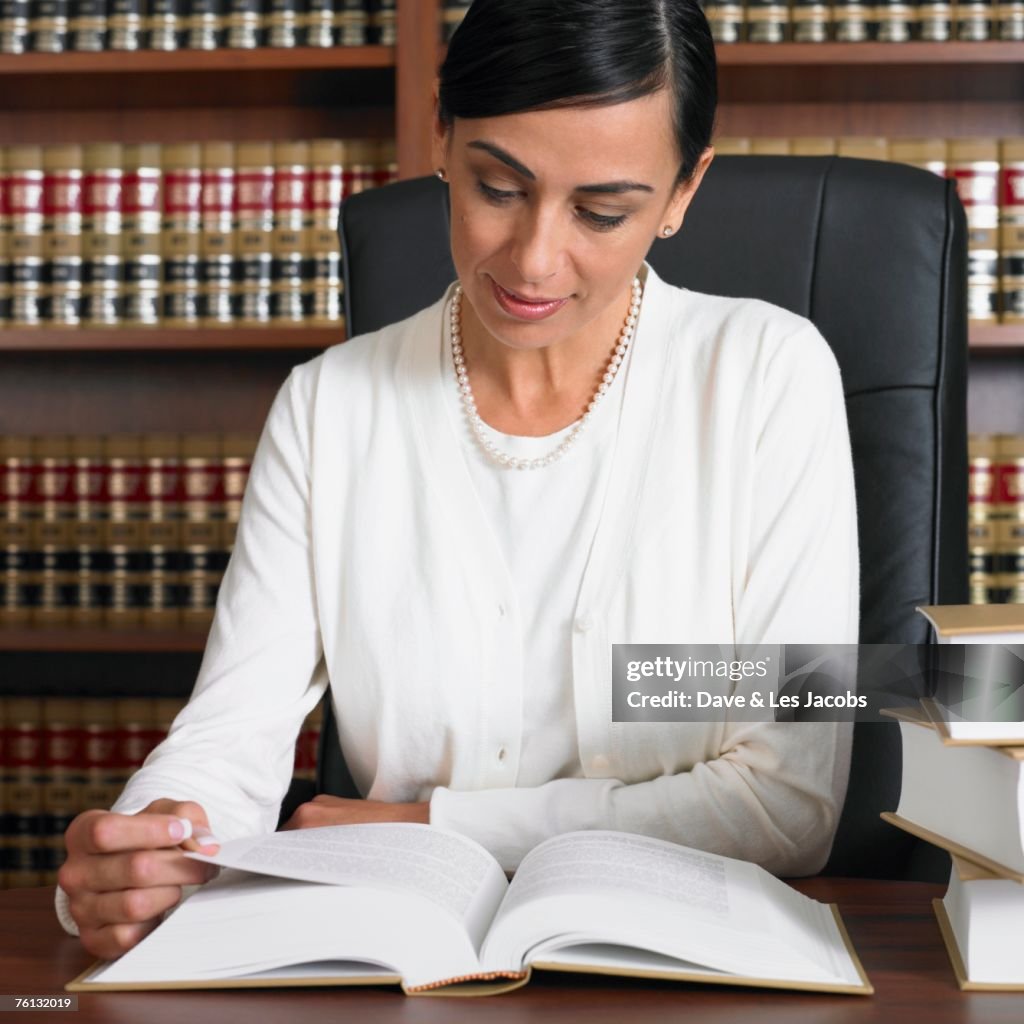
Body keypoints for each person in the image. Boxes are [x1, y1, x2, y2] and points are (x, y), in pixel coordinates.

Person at [57, 0, 859, 959]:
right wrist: (149, 841)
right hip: (400, 962)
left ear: (684, 191)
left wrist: (430, 825)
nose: (532, 260)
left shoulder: (775, 375)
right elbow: (231, 733)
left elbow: (793, 798)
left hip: (681, 975)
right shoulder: (330, 407)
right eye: (498, 188)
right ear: (440, 133)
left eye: (602, 212)